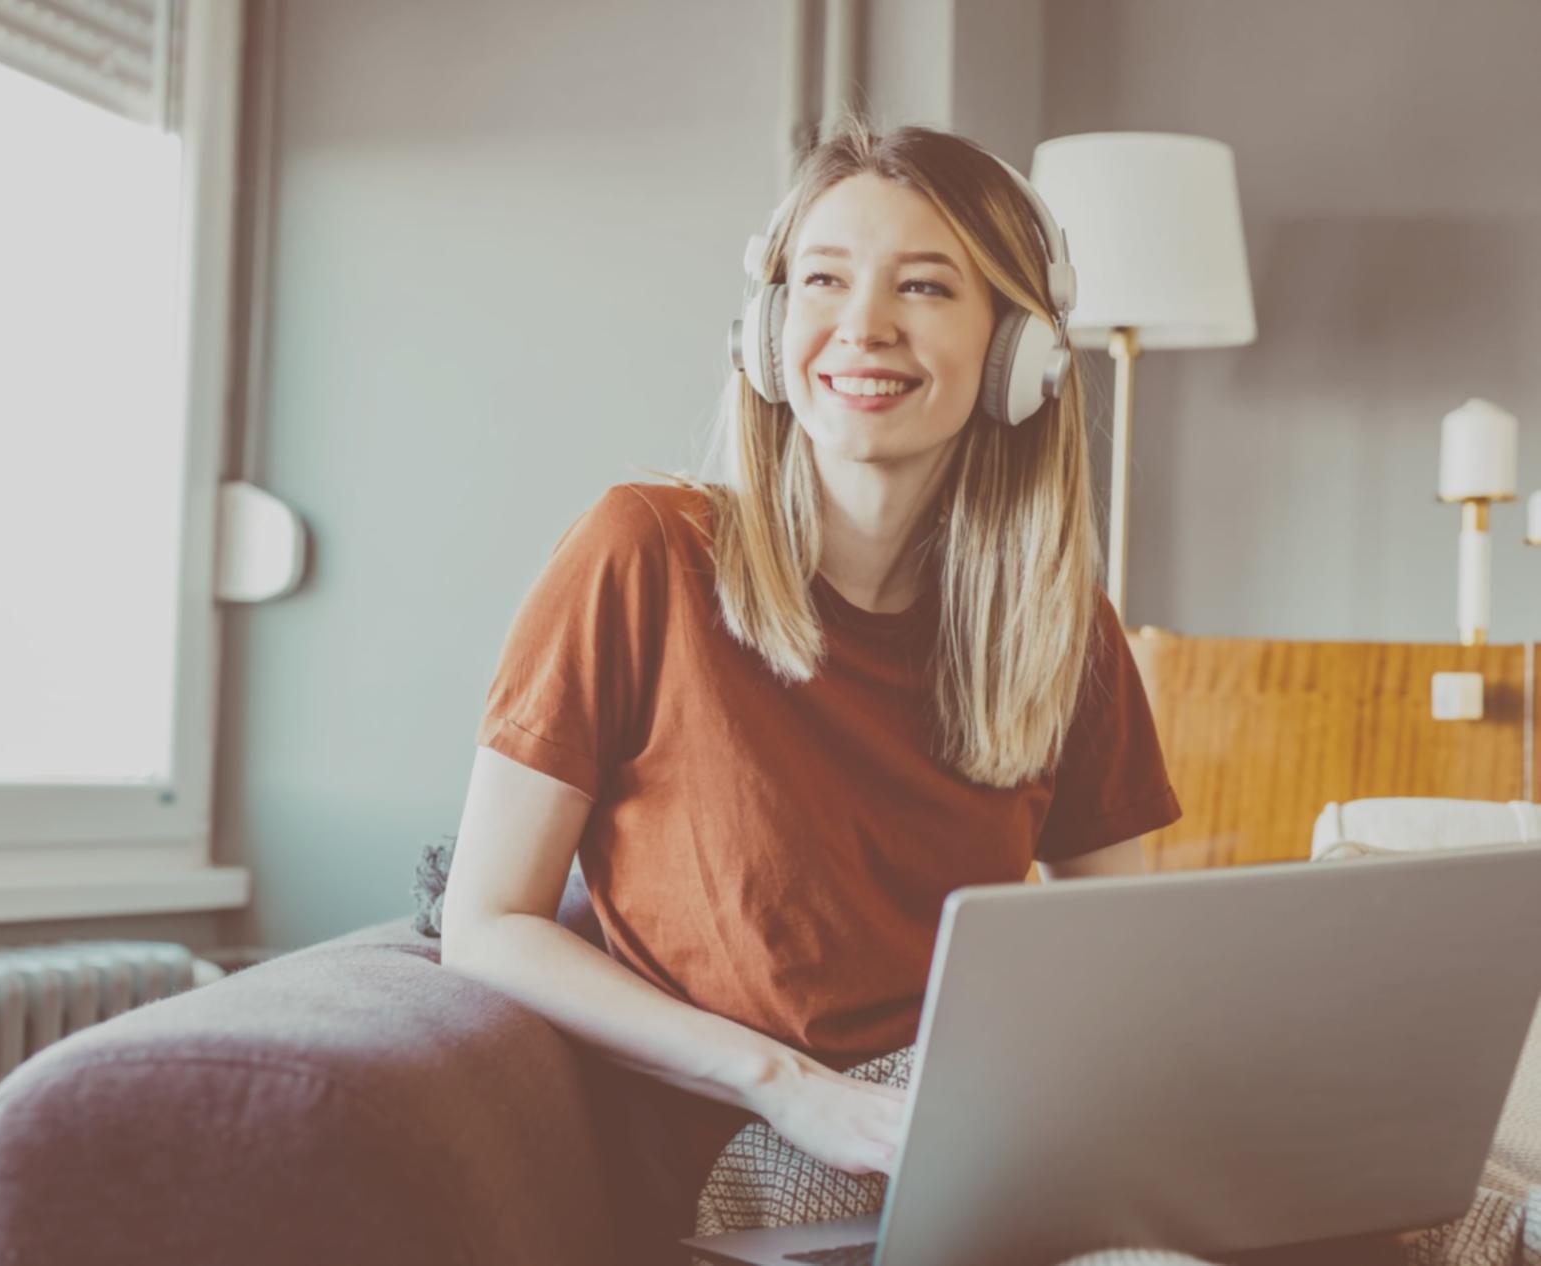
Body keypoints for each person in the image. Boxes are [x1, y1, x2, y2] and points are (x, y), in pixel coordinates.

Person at [439, 111, 1183, 1265]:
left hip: (980, 1120)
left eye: (923, 286)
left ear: (1019, 349)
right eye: (824, 280)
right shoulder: (642, 553)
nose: (862, 325)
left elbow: (1120, 959)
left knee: (1448, 1203)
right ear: (767, 327)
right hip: (758, 1145)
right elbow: (485, 926)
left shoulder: (1056, 622)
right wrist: (789, 1086)